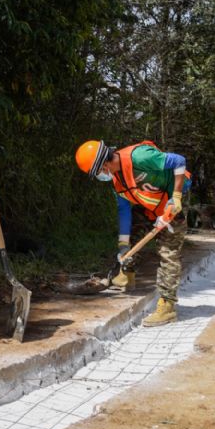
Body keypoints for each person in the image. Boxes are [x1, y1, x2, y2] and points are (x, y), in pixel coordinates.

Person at [75, 140, 191, 327]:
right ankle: (126, 273)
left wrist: (175, 198)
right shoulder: (116, 180)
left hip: (174, 198)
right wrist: (123, 246)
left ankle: (167, 305)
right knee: (134, 230)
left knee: (167, 250)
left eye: (95, 173)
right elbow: (124, 211)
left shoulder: (140, 157)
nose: (98, 176)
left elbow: (179, 160)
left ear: (103, 165)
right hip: (151, 205)